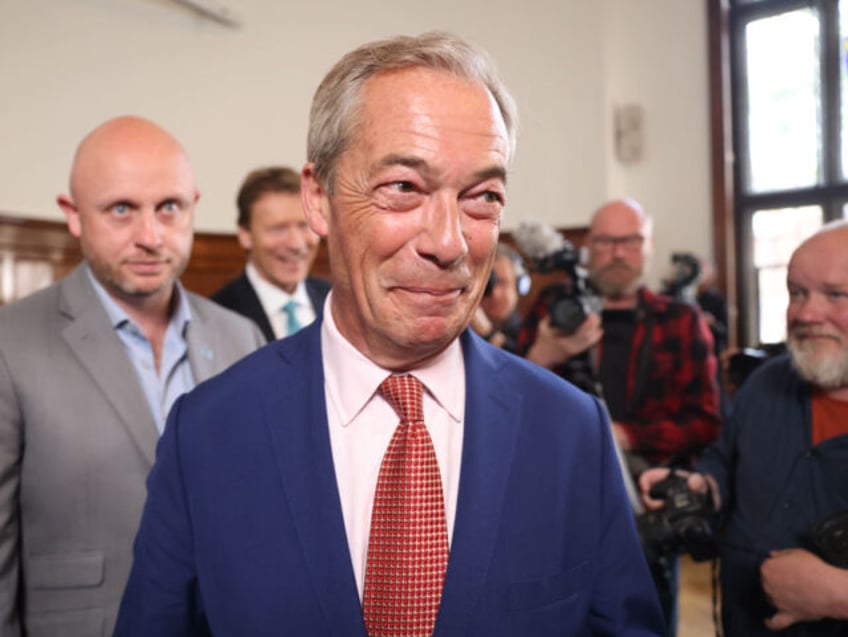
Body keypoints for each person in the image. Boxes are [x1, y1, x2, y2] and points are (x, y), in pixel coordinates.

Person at [114, 32, 664, 636]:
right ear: (319, 200)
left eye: (482, 197)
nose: (449, 242)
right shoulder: (209, 435)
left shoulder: (570, 433)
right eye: (404, 188)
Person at [0, 116, 265, 636]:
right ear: (72, 215)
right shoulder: (11, 345)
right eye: (121, 209)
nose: (150, 236)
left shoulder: (242, 339)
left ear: (193, 206)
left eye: (169, 207)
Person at [516, 199, 721, 635]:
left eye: (630, 241)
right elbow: (508, 404)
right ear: (589, 247)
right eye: (606, 241)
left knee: (645, 621)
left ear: (647, 247)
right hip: (559, 506)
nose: (618, 253)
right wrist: (544, 355)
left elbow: (705, 420)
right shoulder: (556, 309)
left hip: (647, 513)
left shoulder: (680, 321)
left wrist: (625, 435)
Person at [641, 219, 848, 637]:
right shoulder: (765, 384)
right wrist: (703, 487)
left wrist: (838, 594)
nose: (807, 313)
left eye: (835, 294)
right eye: (796, 293)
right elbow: (725, 461)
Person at [212, 166, 331, 342]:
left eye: (304, 226)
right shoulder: (218, 316)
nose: (296, 244)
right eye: (278, 229)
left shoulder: (338, 302)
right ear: (245, 235)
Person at [469, 242, 529, 353]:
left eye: (502, 283)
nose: (495, 294)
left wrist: (488, 333)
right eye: (487, 284)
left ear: (518, 285)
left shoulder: (534, 334)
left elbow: (523, 364)